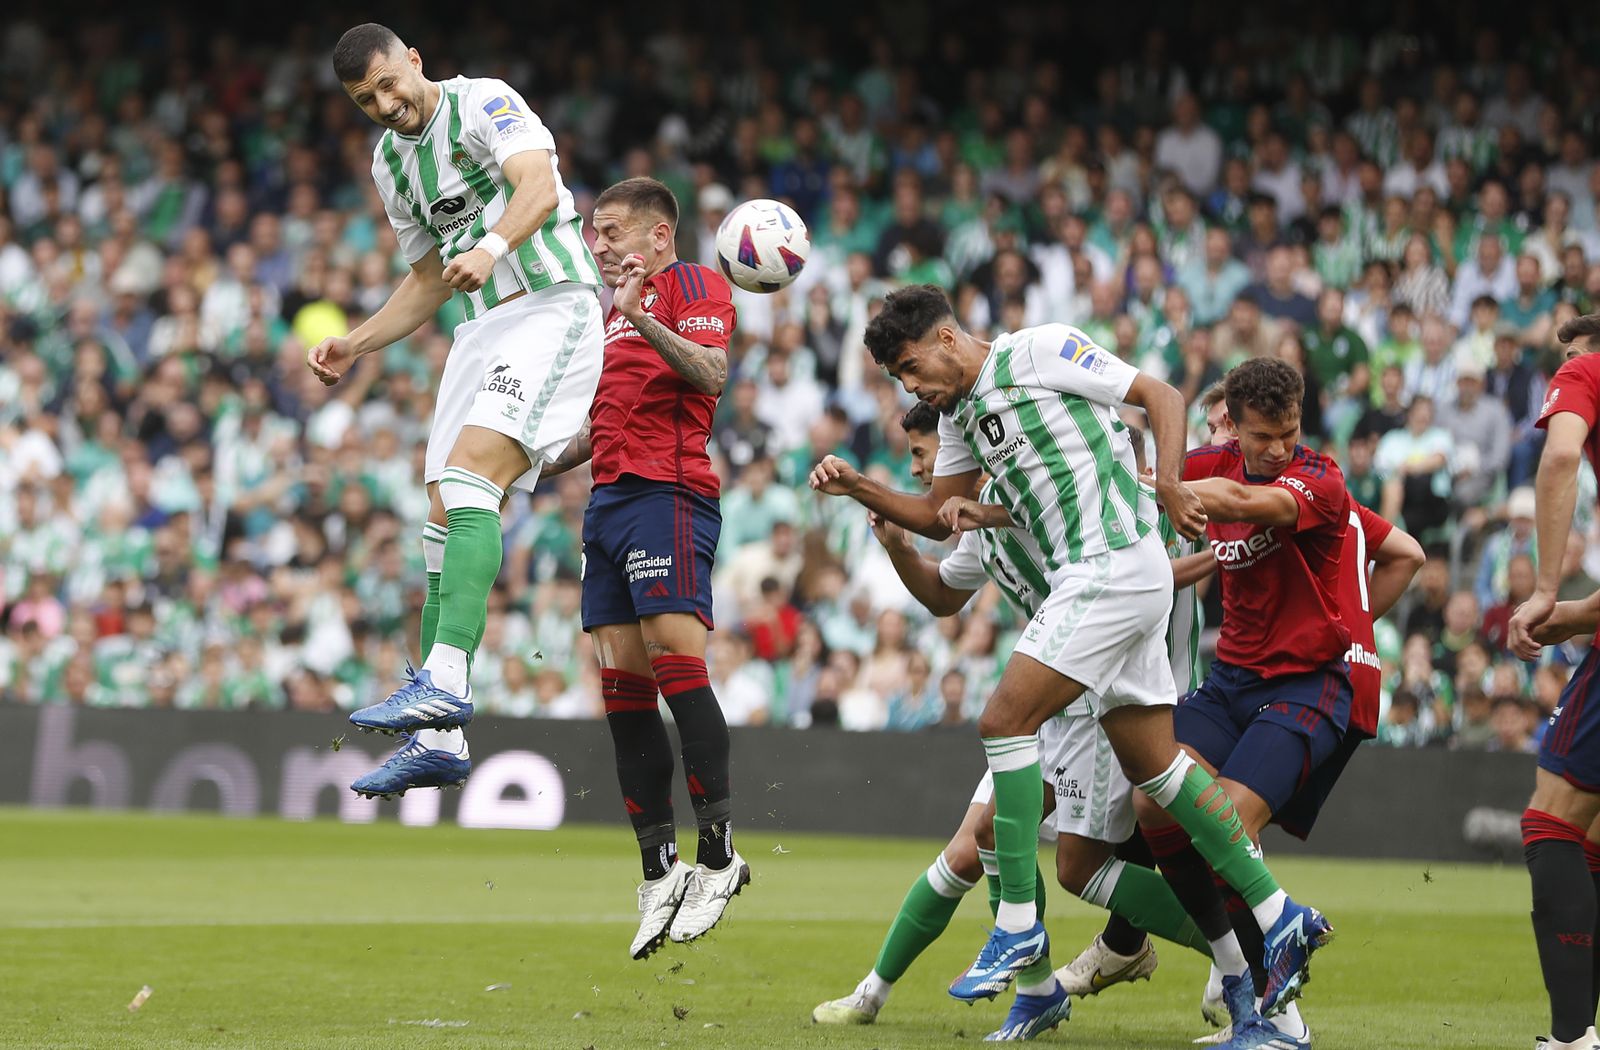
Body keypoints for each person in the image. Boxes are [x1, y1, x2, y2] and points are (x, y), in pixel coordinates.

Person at [809, 286, 1330, 1044]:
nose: (909, 386)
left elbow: (1161, 393)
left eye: (910, 366)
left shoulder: (1038, 349)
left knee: (1003, 721)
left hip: (1111, 564)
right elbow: (935, 514)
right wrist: (858, 484)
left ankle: (1019, 930)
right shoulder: (959, 420)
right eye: (896, 377)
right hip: (1107, 585)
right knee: (1161, 773)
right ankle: (1281, 918)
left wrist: (1176, 482)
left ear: (948, 338)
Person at [813, 402, 1215, 1040]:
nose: (922, 471)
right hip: (1044, 701)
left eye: (925, 456)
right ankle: (880, 993)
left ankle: (1234, 952)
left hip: (1091, 699)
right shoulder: (980, 525)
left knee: (1074, 866)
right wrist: (895, 546)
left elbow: (1140, 572)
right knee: (978, 844)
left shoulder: (1047, 501)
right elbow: (945, 595)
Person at [308, 24, 603, 797]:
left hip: (549, 302)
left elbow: (537, 186)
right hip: (482, 330)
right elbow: (431, 278)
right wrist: (357, 343)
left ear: (413, 60)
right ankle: (440, 737)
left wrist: (494, 246)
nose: (383, 103)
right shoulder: (388, 163)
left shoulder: (484, 102)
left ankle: (442, 682)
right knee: (441, 512)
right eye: (364, 99)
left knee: (471, 480)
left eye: (387, 83)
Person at [1183, 372, 1425, 1046]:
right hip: (1229, 682)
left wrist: (1355, 623)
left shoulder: (1319, 479)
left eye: (1290, 432)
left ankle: (1275, 1010)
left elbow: (1238, 500)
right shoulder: (1207, 463)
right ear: (1232, 424)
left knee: (1225, 822)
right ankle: (1238, 953)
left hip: (1308, 683)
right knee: (1153, 800)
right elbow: (1136, 472)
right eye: (1264, 436)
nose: (1280, 448)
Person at [540, 177, 746, 957]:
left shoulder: (692, 284)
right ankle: (659, 869)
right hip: (610, 503)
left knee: (674, 665)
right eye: (594, 233)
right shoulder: (605, 317)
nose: (599, 244)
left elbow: (711, 372)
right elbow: (597, 428)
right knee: (621, 688)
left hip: (670, 490)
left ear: (659, 236)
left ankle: (719, 856)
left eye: (612, 230)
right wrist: (521, 469)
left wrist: (636, 314)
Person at [1508, 312, 1600, 1050]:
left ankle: (1572, 1038)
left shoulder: (1586, 369)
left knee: (1553, 820)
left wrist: (1544, 589)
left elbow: (1560, 458)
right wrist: (1573, 617)